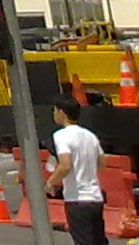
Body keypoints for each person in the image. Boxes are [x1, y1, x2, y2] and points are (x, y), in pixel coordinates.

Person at [45, 100, 107, 245]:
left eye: (54, 111)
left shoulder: (61, 135)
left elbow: (65, 165)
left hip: (77, 199)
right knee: (99, 241)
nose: (54, 114)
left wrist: (50, 182)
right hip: (95, 198)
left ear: (62, 112)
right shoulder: (90, 135)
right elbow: (102, 163)